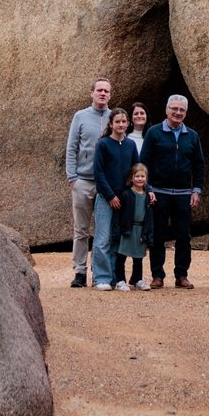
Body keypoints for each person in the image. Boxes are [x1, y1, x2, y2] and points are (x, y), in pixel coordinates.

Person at [141, 94, 206, 288]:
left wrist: (197, 190)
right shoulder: (154, 133)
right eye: (174, 109)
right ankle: (157, 275)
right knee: (158, 236)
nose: (178, 113)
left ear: (185, 113)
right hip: (158, 192)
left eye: (182, 110)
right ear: (167, 110)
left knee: (183, 237)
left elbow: (199, 164)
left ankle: (181, 275)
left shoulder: (192, 136)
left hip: (183, 194)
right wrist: (148, 188)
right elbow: (144, 161)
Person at [64, 77, 113, 289]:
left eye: (106, 91)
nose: (102, 94)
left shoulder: (115, 117)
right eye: (99, 90)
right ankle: (79, 271)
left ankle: (100, 272)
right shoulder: (80, 116)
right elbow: (72, 146)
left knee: (104, 230)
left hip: (106, 183)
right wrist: (72, 177)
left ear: (110, 95)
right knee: (81, 229)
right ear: (91, 93)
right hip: (83, 180)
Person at [91, 107, 138, 291]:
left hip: (124, 198)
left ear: (128, 124)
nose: (121, 125)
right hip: (106, 197)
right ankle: (101, 276)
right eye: (117, 121)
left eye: (124, 121)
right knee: (102, 238)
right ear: (111, 124)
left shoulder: (130, 145)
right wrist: (110, 195)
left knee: (117, 239)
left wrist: (144, 189)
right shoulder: (103, 144)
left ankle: (114, 277)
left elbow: (136, 168)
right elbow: (98, 172)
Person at [113, 163, 154, 288]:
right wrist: (117, 231)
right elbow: (119, 215)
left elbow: (149, 216)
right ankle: (120, 280)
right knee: (121, 256)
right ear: (131, 178)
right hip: (128, 229)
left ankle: (137, 279)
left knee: (138, 257)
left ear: (146, 178)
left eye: (142, 176)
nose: (140, 179)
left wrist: (149, 234)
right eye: (137, 176)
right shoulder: (126, 194)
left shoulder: (148, 196)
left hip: (141, 229)